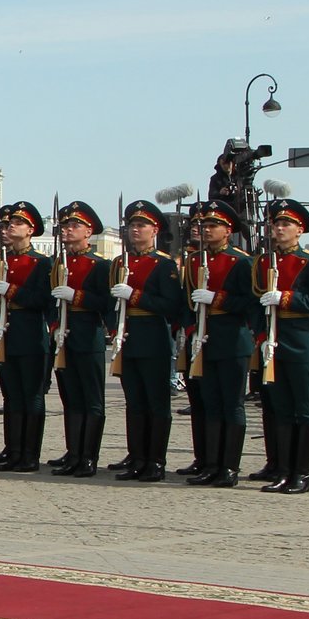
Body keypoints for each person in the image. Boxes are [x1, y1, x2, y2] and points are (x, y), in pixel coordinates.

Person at [252, 197, 309, 494]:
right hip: (274, 343)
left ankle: (302, 473)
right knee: (282, 410)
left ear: (300, 230)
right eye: (277, 223)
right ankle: (285, 470)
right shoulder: (264, 262)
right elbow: (255, 304)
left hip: (301, 342)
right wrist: (261, 337)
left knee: (305, 409)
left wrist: (288, 298)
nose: (280, 228)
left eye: (286, 223)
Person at [185, 199, 259, 488]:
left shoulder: (241, 261)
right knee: (211, 404)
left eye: (213, 225)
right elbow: (185, 301)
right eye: (202, 225)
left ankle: (229, 467)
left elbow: (250, 302)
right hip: (205, 339)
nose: (205, 229)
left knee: (232, 405)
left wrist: (216, 299)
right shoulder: (194, 261)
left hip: (232, 341)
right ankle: (211, 464)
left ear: (228, 230)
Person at [108, 200, 183, 482]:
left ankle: (156, 460)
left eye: (142, 225)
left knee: (156, 403)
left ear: (155, 230)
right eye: (132, 226)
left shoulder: (163, 265)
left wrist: (135, 296)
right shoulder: (120, 263)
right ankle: (137, 458)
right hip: (129, 339)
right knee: (135, 402)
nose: (135, 230)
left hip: (153, 339)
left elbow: (171, 306)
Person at [46, 203, 114, 477]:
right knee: (71, 398)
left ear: (89, 231)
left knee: (91, 399)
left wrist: (77, 297)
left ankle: (88, 457)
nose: (67, 230)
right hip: (65, 335)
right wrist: (54, 325)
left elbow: (106, 304)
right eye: (65, 226)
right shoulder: (58, 263)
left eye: (74, 226)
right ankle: (73, 453)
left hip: (88, 335)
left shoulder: (99, 265)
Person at [0, 201, 56, 473]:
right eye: (9, 223)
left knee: (31, 396)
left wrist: (13, 291)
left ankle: (30, 454)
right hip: (7, 332)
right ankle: (13, 450)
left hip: (31, 333)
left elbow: (44, 300)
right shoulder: (0, 261)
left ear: (30, 230)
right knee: (12, 396)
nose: (10, 227)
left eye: (18, 223)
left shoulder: (42, 263)